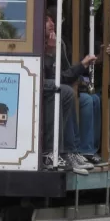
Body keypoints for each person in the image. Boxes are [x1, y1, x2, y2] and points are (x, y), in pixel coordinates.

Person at [43, 12, 92, 175]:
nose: (51, 23)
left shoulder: (58, 43)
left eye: (52, 19)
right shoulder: (33, 42)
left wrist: (82, 66)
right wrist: (49, 53)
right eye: (46, 20)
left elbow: (64, 75)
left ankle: (73, 151)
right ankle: (53, 152)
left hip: (53, 87)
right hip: (36, 89)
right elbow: (45, 77)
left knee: (74, 94)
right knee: (63, 91)